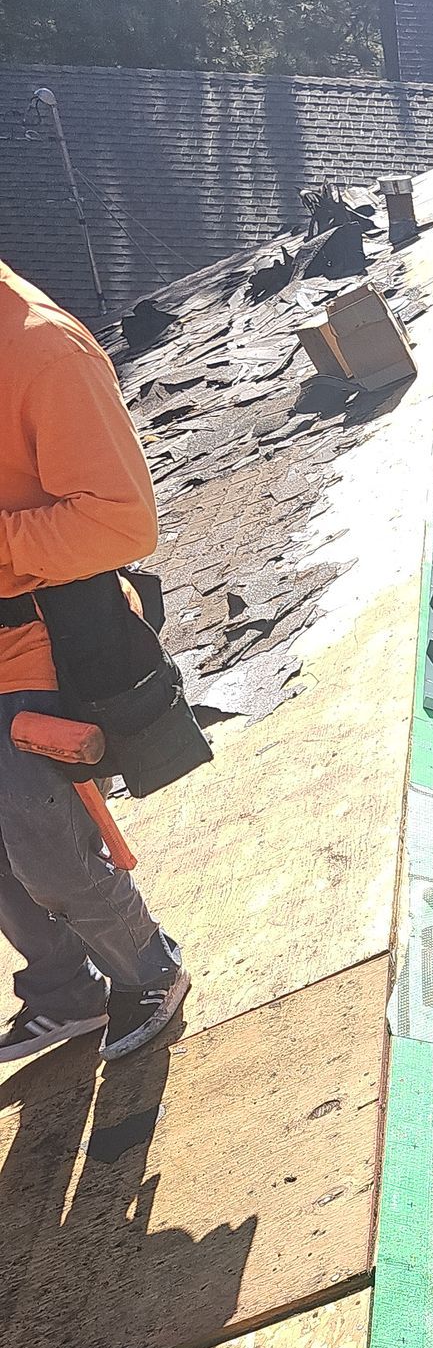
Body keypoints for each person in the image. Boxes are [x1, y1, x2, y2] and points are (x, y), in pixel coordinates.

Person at [0, 259, 188, 1066]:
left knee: (44, 844)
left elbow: (120, 526)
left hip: (32, 637)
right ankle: (65, 992)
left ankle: (148, 971)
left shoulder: (43, 353)